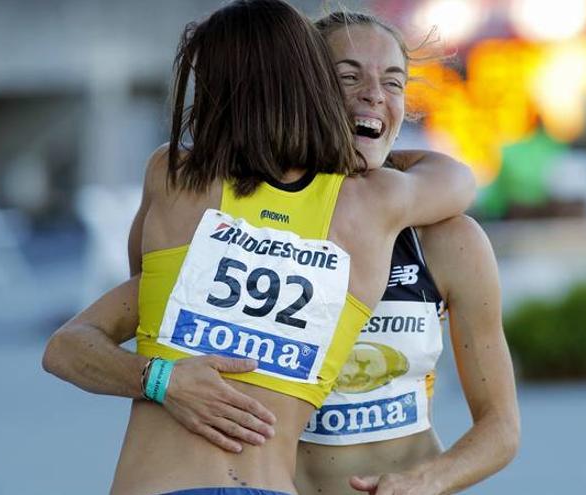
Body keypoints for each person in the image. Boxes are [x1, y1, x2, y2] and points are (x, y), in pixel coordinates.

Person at [42, 1, 475, 494]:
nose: (371, 95)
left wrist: (161, 380)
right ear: (313, 86)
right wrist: (372, 154)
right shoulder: (372, 204)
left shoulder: (176, 176)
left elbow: (101, 323)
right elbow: (457, 179)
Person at [293, 13, 520, 495]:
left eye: (392, 82)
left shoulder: (448, 238)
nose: (374, 93)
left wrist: (423, 482)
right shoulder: (251, 220)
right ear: (303, 88)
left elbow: (501, 428)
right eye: (348, 77)